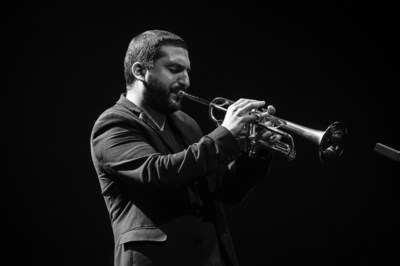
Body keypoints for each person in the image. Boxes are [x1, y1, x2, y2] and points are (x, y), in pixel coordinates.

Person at [90, 29, 277, 266]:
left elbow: (224, 190)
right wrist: (225, 135)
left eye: (187, 71)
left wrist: (256, 151)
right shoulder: (113, 124)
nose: (186, 81)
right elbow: (158, 174)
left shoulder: (185, 123)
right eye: (174, 69)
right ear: (139, 71)